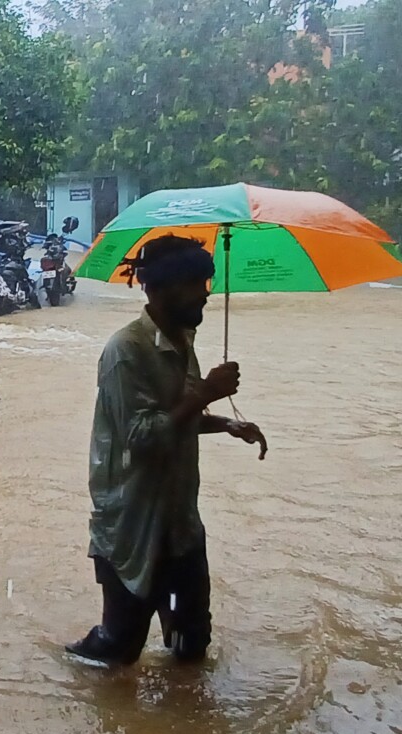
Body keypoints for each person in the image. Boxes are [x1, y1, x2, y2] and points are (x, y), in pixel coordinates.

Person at [66, 235, 267, 667]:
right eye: (193, 284)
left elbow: (176, 418)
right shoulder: (126, 351)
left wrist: (226, 423)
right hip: (133, 523)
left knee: (192, 645)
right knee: (120, 651)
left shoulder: (182, 341)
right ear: (157, 289)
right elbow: (141, 436)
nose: (205, 295)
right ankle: (67, 660)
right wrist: (207, 393)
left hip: (179, 519)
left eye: (205, 283)